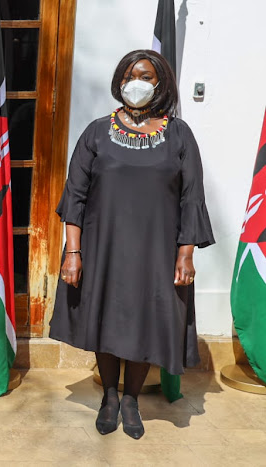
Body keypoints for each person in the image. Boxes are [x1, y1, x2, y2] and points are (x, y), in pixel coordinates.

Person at [50, 49, 214, 440]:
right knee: (104, 318)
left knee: (147, 322)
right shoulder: (95, 131)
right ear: (118, 82)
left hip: (157, 250)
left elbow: (192, 197)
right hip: (102, 247)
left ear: (161, 83)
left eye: (143, 75)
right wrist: (73, 252)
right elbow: (75, 196)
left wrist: (186, 253)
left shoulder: (179, 135)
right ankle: (109, 396)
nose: (134, 82)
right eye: (127, 75)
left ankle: (131, 400)